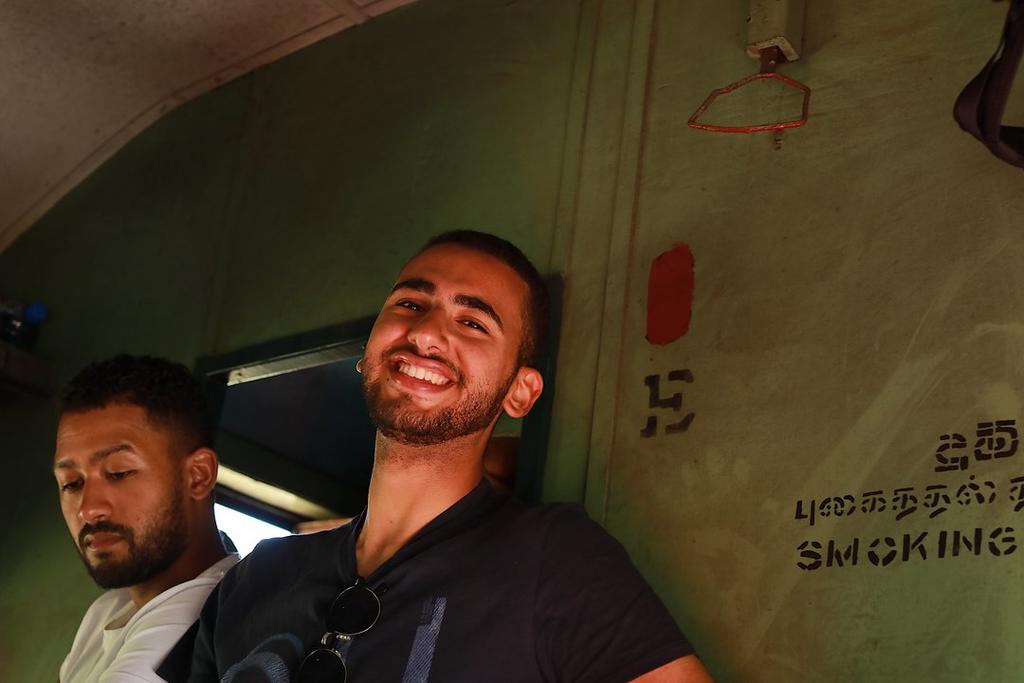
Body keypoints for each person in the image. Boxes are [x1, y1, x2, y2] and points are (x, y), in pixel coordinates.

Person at [165, 230, 713, 682]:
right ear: (367, 353)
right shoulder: (256, 577)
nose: (425, 333)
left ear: (519, 393)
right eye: (410, 303)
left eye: (472, 322)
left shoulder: (557, 559)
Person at [55, 355, 238, 682]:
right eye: (72, 483)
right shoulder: (108, 610)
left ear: (197, 476)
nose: (88, 509)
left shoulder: (209, 616)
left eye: (119, 472)